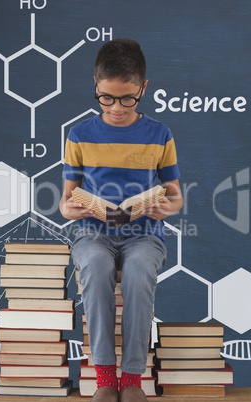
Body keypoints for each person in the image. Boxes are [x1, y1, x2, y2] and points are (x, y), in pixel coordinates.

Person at [60, 38, 183, 402]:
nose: (116, 108)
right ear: (96, 88)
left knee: (139, 272)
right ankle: (104, 376)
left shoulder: (161, 134)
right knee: (95, 267)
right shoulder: (79, 134)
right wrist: (74, 208)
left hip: (143, 234)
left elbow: (175, 194)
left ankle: (131, 377)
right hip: (93, 234)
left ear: (143, 88)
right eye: (107, 98)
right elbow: (66, 201)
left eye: (127, 98)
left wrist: (164, 207)